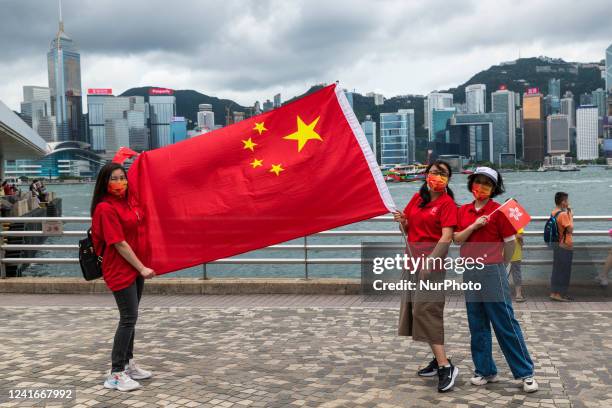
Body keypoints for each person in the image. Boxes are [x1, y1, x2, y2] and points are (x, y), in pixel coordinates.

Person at [453, 166, 538, 393]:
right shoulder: (463, 211)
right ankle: (485, 370)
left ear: (494, 189)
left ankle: (525, 373)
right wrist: (474, 225)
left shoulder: (499, 212)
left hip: (492, 270)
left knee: (505, 323)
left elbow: (510, 243)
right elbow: (457, 240)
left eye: (487, 184)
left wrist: (503, 265)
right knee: (477, 323)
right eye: (478, 182)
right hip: (470, 270)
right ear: (471, 183)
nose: (481, 187)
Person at [392, 160, 459, 393]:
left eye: (442, 174)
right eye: (433, 172)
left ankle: (445, 367)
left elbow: (447, 236)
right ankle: (438, 359)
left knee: (426, 311)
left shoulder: (447, 203)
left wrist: (432, 259)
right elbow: (409, 230)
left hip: (431, 267)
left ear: (448, 179)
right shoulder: (417, 199)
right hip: (411, 263)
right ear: (426, 175)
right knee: (416, 312)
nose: (436, 177)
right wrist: (403, 222)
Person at [91, 162, 155, 392]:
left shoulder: (127, 201)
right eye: (114, 179)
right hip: (120, 268)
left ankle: (127, 364)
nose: (120, 182)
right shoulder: (105, 208)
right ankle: (116, 373)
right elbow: (119, 243)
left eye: (122, 177)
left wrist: (142, 160)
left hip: (136, 267)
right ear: (104, 183)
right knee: (128, 318)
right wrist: (141, 268)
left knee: (132, 317)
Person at [549, 192, 573, 302]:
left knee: (557, 269)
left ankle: (554, 292)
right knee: (564, 271)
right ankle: (559, 294)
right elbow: (570, 229)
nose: (567, 202)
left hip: (557, 245)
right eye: (566, 200)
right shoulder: (563, 215)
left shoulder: (553, 212)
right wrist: (570, 215)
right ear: (563, 202)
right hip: (565, 246)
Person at [509, 228, 525, 302]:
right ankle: (518, 295)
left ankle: (518, 294)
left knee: (503, 274)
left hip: (507, 253)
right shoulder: (517, 223)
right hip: (513, 253)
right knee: (516, 274)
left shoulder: (502, 222)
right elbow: (519, 236)